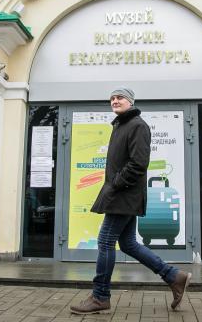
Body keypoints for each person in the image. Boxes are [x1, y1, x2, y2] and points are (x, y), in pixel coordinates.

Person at [70, 87, 192, 315]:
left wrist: (116, 184)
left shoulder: (137, 126)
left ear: (130, 101)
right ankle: (175, 276)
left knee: (105, 241)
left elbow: (138, 163)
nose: (115, 101)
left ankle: (100, 297)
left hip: (124, 195)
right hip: (122, 195)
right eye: (112, 98)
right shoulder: (120, 125)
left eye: (120, 98)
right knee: (127, 244)